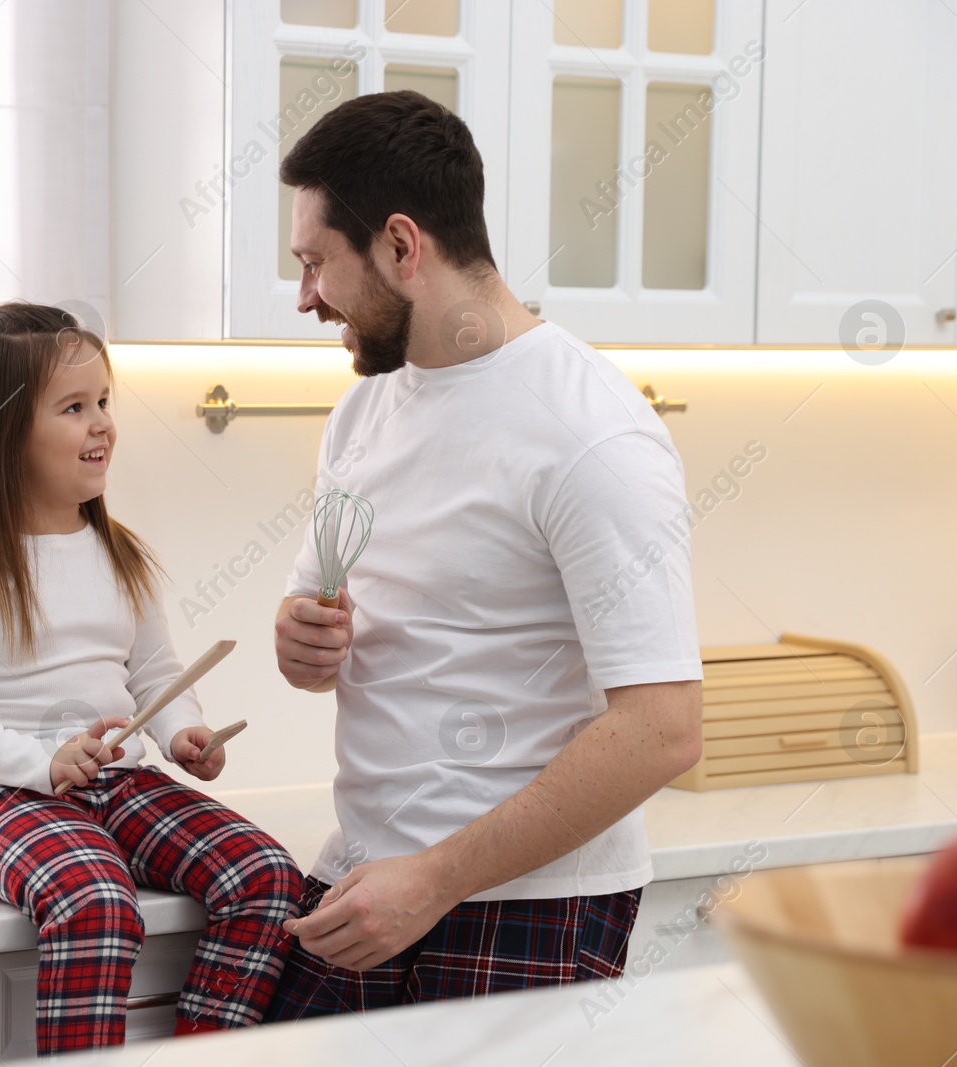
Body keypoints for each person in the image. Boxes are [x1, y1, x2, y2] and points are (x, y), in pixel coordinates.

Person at [266, 90, 705, 1018]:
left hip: (525, 908)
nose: (305, 296)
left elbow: (662, 728)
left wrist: (435, 878)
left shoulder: (588, 431)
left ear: (400, 245)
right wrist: (300, 638)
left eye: (314, 263)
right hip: (369, 876)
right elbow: (331, 620)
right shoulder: (363, 409)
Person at [0, 301, 302, 1054]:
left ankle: (201, 1051)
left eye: (105, 402)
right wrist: (40, 762)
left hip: (111, 780)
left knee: (267, 877)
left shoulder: (118, 552)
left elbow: (153, 670)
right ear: (4, 430)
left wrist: (183, 727)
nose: (102, 424)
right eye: (75, 407)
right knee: (94, 898)